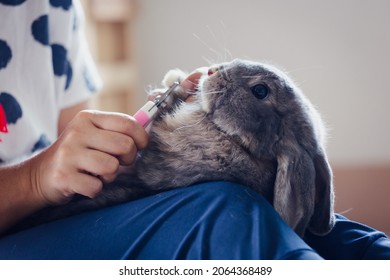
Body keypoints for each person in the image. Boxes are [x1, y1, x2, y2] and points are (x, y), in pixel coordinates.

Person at [0, 0, 389, 260]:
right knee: (225, 212)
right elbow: (45, 171)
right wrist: (34, 179)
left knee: (337, 236)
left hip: (64, 216)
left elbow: (69, 153)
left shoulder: (52, 7)